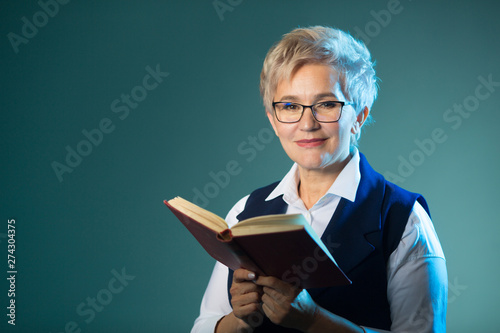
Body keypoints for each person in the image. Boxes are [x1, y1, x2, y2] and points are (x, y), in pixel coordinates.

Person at [191, 26, 447, 333]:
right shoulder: (245, 212)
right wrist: (239, 321)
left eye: (327, 104)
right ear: (273, 121)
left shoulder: (404, 220)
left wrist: (315, 321)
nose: (307, 124)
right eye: (290, 106)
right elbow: (204, 326)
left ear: (360, 116)